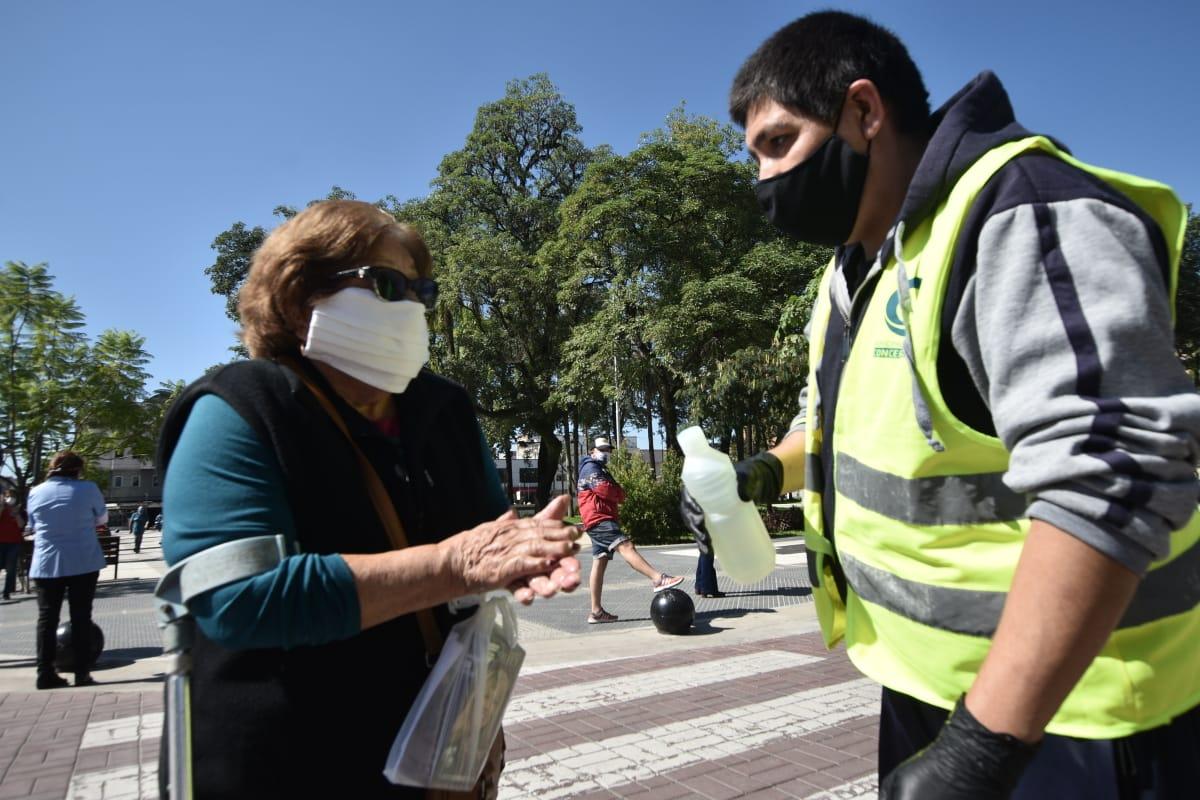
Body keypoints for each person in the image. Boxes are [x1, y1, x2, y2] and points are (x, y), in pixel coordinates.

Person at [682, 11, 1200, 798]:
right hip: (939, 691)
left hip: (1076, 715)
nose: (762, 179)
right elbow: (833, 428)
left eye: (779, 143)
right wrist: (758, 474)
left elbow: (1112, 475)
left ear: (864, 112)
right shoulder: (857, 266)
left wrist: (983, 750)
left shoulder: (1022, 211)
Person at [157, 200, 582, 799]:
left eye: (421, 291)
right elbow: (235, 598)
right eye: (386, 285)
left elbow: (488, 543)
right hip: (282, 769)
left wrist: (523, 556)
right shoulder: (240, 407)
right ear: (301, 295)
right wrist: (455, 565)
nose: (410, 306)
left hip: (428, 762)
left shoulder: (445, 412)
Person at [25, 451, 107, 689]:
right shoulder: (89, 489)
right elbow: (101, 519)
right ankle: (82, 672)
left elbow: (32, 524)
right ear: (78, 470)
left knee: (47, 619)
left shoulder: (36, 492)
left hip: (47, 562)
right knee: (81, 617)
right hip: (83, 560)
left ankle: (44, 671)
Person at [578, 437, 683, 623]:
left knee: (599, 562)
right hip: (599, 518)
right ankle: (658, 578)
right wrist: (620, 492)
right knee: (626, 545)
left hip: (596, 519)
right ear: (592, 451)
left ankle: (596, 612)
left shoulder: (597, 468)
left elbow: (609, 490)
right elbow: (605, 490)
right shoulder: (591, 468)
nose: (606, 453)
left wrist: (617, 491)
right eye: (602, 449)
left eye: (608, 450)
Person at [0, 488, 26, 600]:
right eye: (7, 496)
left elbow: (21, 525)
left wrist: (16, 515)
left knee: (11, 568)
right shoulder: (2, 508)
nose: (9, 498)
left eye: (12, 496)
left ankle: (7, 591)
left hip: (14, 542)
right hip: (1, 541)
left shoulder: (20, 510)